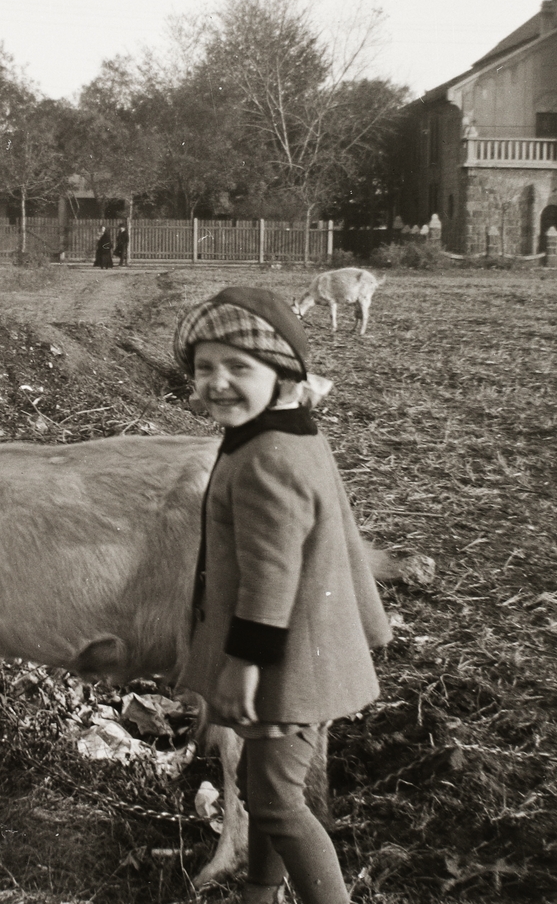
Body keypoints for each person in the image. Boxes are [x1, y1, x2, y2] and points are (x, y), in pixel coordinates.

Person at [172, 287, 391, 904]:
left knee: (276, 803)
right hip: (302, 656)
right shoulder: (284, 434)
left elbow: (272, 575)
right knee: (273, 797)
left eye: (239, 368)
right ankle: (260, 895)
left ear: (283, 376)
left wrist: (242, 666)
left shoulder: (266, 457)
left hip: (284, 664)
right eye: (205, 367)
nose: (218, 383)